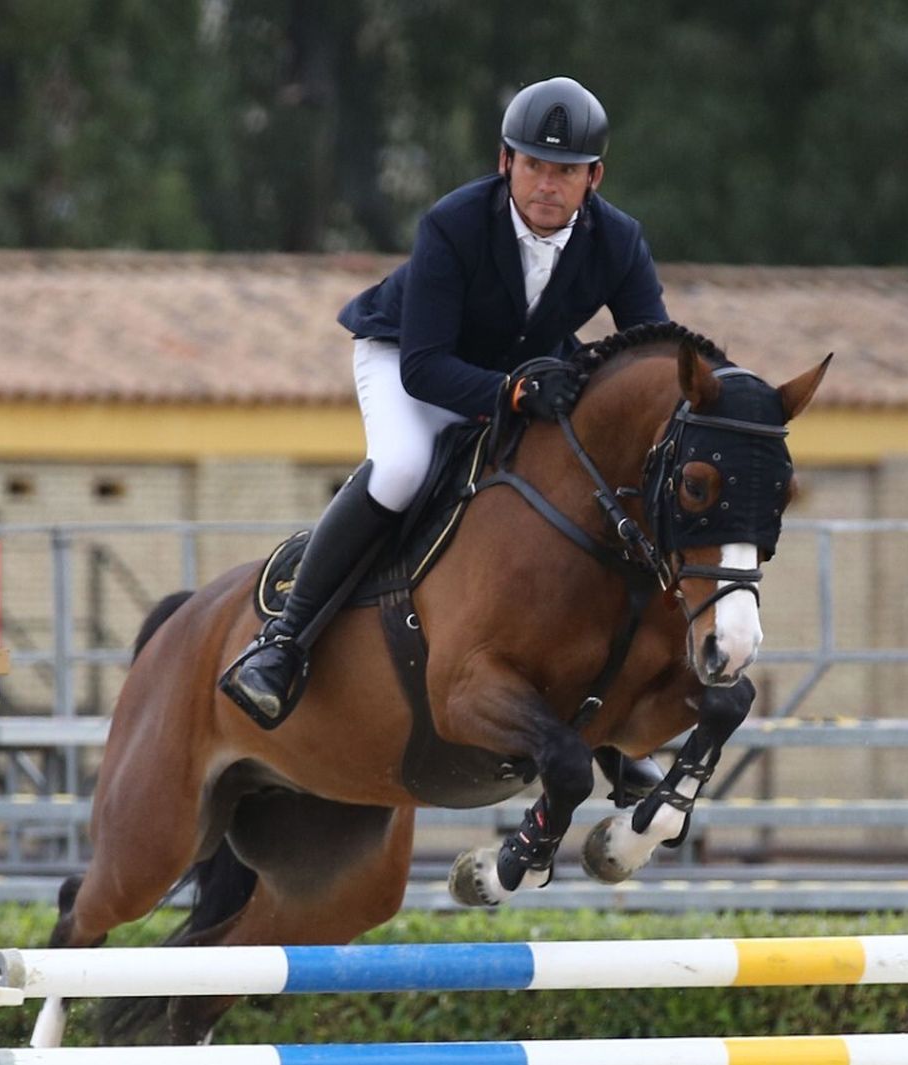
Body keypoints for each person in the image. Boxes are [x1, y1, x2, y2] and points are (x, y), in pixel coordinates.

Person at [220, 75, 669, 726]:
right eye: (534, 165)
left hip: (516, 369)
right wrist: (514, 391)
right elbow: (427, 368)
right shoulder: (454, 223)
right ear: (504, 162)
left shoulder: (620, 241)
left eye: (565, 171)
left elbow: (649, 353)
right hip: (406, 355)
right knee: (404, 467)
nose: (547, 183)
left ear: (595, 177)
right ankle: (283, 643)